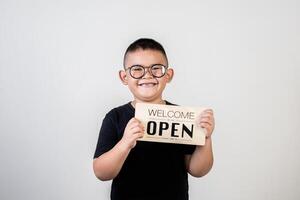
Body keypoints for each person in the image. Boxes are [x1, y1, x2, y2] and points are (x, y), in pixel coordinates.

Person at [93, 38, 215, 200]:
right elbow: (101, 173)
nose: (148, 75)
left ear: (168, 75)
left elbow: (197, 170)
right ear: (124, 77)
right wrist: (125, 143)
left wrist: (205, 139)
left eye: (156, 68)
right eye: (137, 69)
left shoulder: (183, 117)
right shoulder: (115, 117)